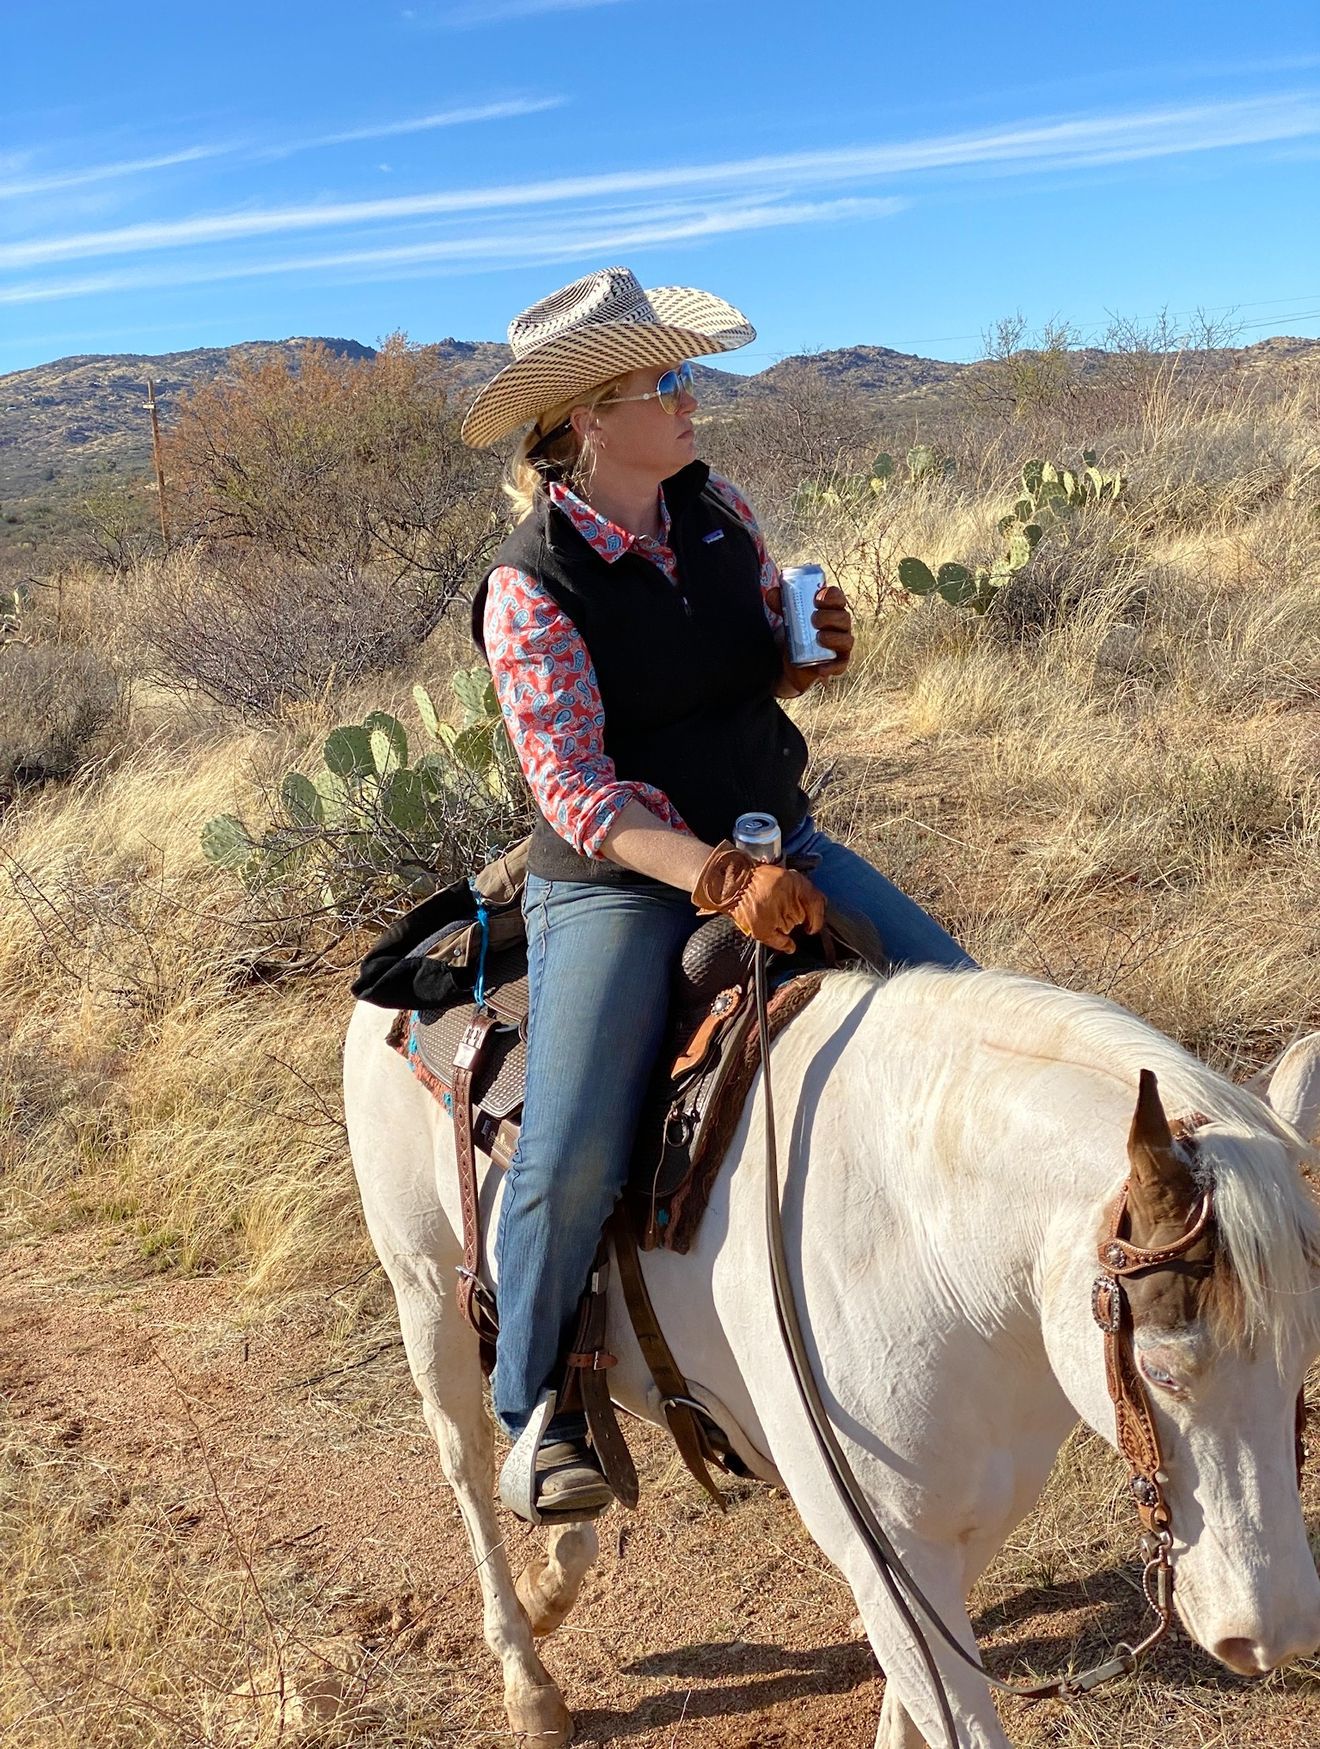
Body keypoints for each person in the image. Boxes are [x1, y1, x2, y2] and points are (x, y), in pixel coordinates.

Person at [462, 266, 973, 1519]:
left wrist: (809, 660)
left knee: (967, 1004)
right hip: (621, 886)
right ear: (586, 418)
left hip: (772, 837)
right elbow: (580, 791)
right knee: (575, 1149)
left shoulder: (715, 508)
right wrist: (715, 876)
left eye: (687, 377)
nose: (695, 401)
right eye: (667, 384)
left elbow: (741, 672)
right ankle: (533, 1409)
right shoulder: (532, 586)